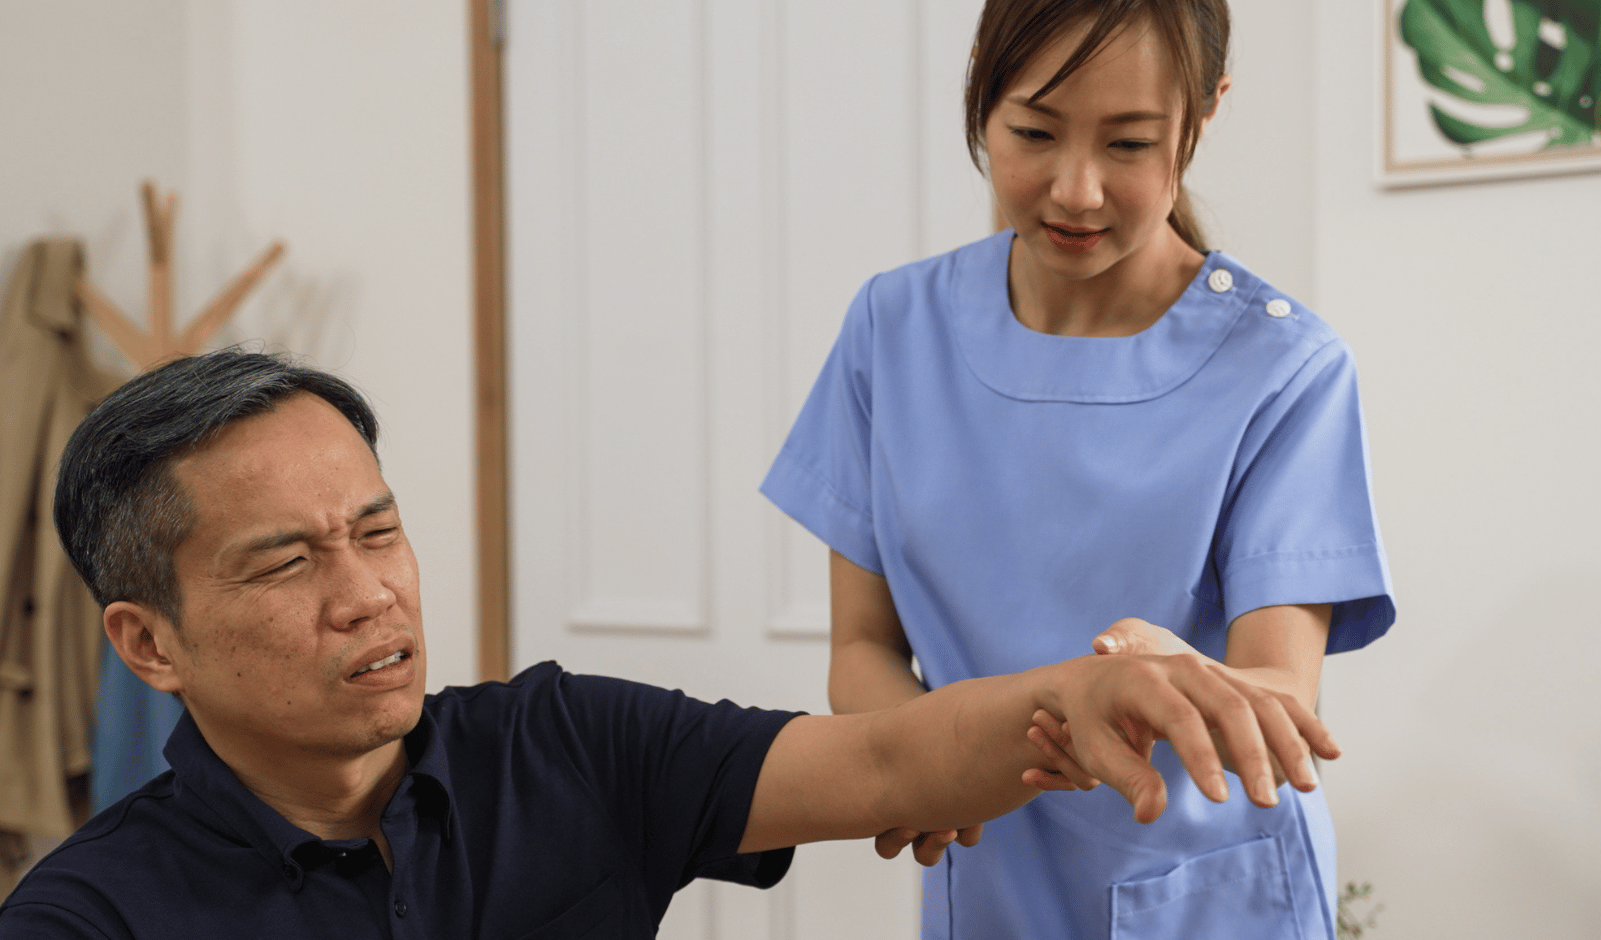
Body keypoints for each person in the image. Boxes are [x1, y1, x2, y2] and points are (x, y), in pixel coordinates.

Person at [0, 349, 1340, 938]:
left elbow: (881, 765)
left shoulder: (559, 747)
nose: (368, 596)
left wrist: (1085, 695)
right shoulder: (91, 919)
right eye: (288, 563)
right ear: (148, 642)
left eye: (378, 531)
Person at [760, 1, 1396, 937]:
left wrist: (1175, 678)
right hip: (984, 877)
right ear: (982, 86)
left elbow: (1279, 693)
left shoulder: (1284, 371)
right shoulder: (893, 333)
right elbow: (862, 650)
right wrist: (937, 766)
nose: (1077, 191)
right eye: (1033, 131)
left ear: (1204, 114)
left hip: (1204, 894)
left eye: (1130, 144)